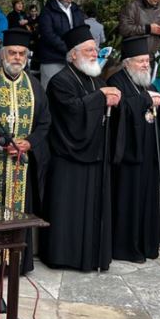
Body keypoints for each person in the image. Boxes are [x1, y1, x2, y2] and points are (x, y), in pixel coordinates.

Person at [39, 24, 120, 271]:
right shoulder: (59, 81)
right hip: (68, 160)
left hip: (94, 156)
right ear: (73, 55)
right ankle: (63, 256)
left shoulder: (95, 79)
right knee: (68, 213)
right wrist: (101, 97)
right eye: (88, 50)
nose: (95, 54)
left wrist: (113, 98)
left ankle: (90, 255)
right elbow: (71, 112)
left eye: (95, 50)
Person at [0, 28, 50, 276]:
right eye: (12, 52)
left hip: (21, 163)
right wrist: (0, 142)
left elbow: (45, 123)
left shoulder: (34, 86)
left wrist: (28, 142)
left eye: (22, 53)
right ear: (2, 55)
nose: (17, 58)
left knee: (18, 211)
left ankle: (16, 262)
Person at [108, 36, 160, 263]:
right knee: (127, 202)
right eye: (141, 61)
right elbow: (120, 108)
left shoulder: (147, 84)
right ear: (127, 62)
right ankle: (125, 248)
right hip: (127, 156)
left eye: (148, 61)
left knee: (147, 203)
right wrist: (145, 100)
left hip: (148, 154)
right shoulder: (116, 81)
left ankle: (146, 245)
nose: (146, 65)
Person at [36, 0, 86, 88]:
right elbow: (48, 35)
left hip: (72, 60)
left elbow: (81, 30)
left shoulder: (76, 10)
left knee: (69, 93)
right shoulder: (47, 11)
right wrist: (69, 49)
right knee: (49, 93)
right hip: (52, 59)